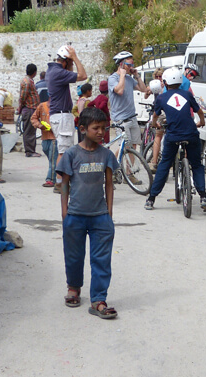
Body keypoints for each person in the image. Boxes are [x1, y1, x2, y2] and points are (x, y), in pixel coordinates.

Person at [56, 107, 119, 320]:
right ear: (83, 129)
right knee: (74, 256)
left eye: (104, 128)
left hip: (100, 216)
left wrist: (109, 214)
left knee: (101, 259)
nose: (101, 132)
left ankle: (98, 300)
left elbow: (109, 185)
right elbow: (64, 185)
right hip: (75, 215)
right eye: (96, 128)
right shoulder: (72, 154)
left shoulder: (107, 155)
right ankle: (73, 287)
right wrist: (65, 214)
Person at [144, 68, 206, 212]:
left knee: (164, 164)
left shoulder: (162, 97)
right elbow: (199, 111)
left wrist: (154, 124)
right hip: (191, 134)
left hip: (173, 136)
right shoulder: (187, 94)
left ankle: (151, 199)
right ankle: (203, 197)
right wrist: (202, 122)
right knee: (197, 165)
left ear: (166, 83)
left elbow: (155, 116)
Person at [47, 45, 87, 192]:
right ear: (65, 61)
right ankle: (59, 183)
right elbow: (83, 76)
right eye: (70, 62)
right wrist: (75, 58)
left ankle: (62, 181)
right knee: (64, 151)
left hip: (59, 115)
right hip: (62, 115)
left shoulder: (53, 70)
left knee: (65, 149)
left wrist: (69, 62)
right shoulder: (58, 72)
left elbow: (71, 73)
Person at [107, 51, 148, 170]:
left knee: (133, 146)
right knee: (125, 147)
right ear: (121, 64)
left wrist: (137, 75)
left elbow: (143, 89)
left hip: (132, 116)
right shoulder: (113, 78)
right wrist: (122, 76)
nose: (131, 67)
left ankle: (129, 174)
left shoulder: (130, 78)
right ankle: (112, 168)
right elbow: (119, 91)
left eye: (132, 64)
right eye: (129, 65)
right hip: (121, 119)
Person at [31, 100, 57, 188]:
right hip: (45, 137)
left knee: (53, 159)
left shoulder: (59, 106)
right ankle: (57, 174)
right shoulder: (42, 106)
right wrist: (38, 125)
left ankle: (50, 179)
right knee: (50, 156)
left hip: (55, 137)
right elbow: (33, 118)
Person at [19, 63, 41, 157]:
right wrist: (21, 106)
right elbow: (23, 96)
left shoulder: (28, 81)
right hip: (29, 108)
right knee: (29, 131)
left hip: (31, 108)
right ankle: (30, 151)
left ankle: (31, 150)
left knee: (31, 130)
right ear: (35, 72)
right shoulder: (27, 82)